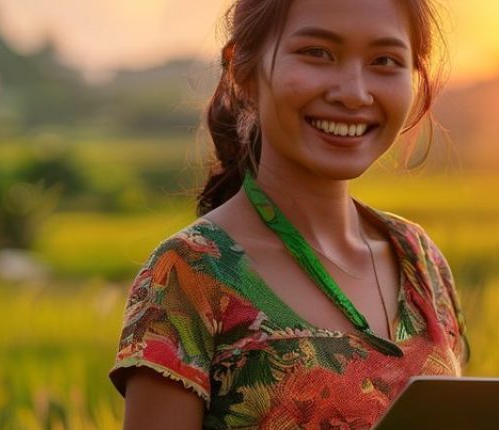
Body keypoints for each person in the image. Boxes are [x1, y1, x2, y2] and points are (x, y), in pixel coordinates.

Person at [109, 0, 469, 428]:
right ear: (242, 69)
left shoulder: (419, 261)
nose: (353, 93)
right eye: (318, 53)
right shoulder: (189, 274)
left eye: (385, 60)